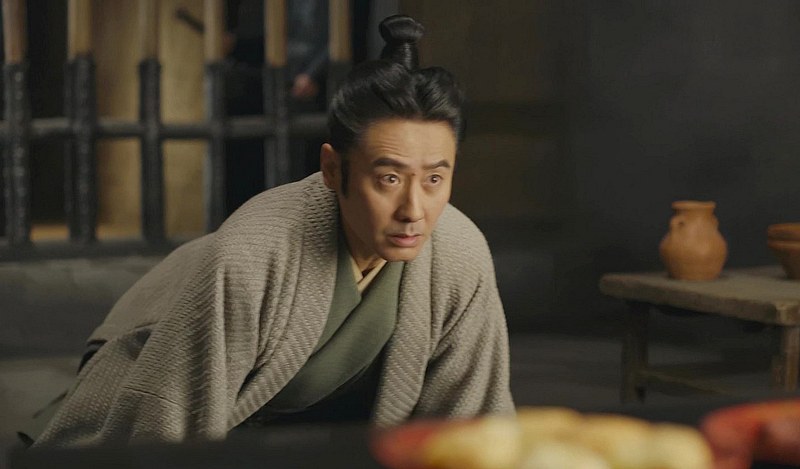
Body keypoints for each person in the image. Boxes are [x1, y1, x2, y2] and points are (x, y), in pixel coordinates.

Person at [33, 15, 513, 447]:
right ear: (332, 169)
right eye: (388, 178)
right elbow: (168, 430)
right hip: (148, 384)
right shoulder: (254, 254)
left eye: (434, 179)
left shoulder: (459, 253)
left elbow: (474, 425)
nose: (413, 210)